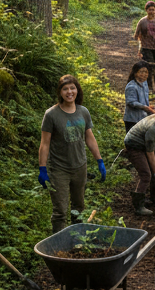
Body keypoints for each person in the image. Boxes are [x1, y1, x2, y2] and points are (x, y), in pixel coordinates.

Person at [39, 75, 106, 236]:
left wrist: (100, 161)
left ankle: (77, 242)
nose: (69, 92)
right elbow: (45, 143)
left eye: (72, 88)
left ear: (77, 90)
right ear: (60, 92)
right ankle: (59, 245)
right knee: (60, 211)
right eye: (65, 89)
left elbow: (89, 137)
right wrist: (42, 168)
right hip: (59, 169)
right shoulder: (51, 114)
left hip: (80, 167)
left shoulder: (83, 112)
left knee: (78, 208)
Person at [134, 1, 155, 94]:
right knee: (148, 68)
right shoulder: (142, 22)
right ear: (146, 10)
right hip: (146, 48)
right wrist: (140, 48)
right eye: (150, 10)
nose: (151, 11)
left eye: (153, 9)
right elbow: (136, 35)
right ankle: (149, 88)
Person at [124, 60, 155, 134]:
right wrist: (145, 108)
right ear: (135, 73)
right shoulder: (131, 86)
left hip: (142, 118)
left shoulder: (144, 84)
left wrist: (149, 107)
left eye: (146, 72)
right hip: (132, 120)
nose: (144, 74)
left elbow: (144, 100)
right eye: (141, 72)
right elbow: (131, 102)